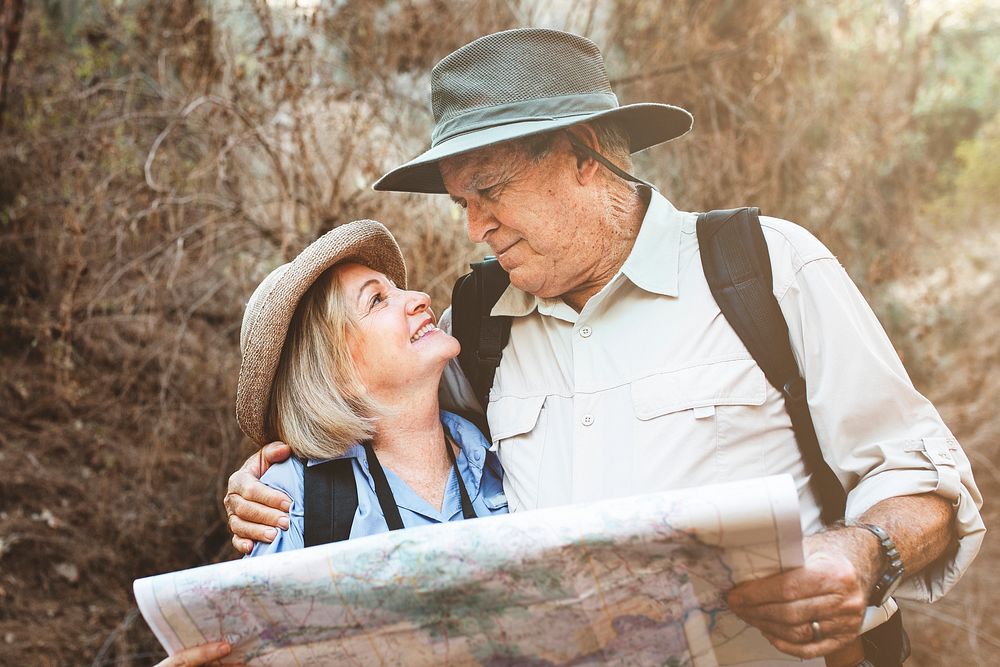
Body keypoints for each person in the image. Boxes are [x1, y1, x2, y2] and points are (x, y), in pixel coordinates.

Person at [223, 29, 984, 666]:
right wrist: (270, 478)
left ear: (585, 155)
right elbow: (377, 416)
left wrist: (863, 553)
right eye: (462, 203)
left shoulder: (765, 268)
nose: (473, 227)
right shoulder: (478, 323)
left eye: (491, 191)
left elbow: (927, 483)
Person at [235, 219, 508, 554]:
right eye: (377, 299)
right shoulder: (294, 502)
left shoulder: (498, 436)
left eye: (396, 288)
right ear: (336, 372)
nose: (420, 297)